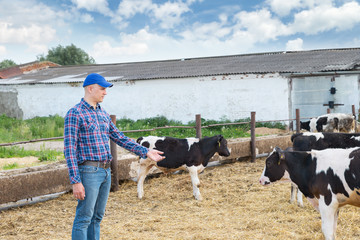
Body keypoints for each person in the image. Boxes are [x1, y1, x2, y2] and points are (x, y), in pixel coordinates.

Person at [64, 73, 165, 240]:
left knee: (96, 218)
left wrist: (145, 151)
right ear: (90, 88)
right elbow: (69, 149)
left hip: (105, 172)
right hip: (88, 171)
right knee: (83, 219)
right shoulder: (75, 113)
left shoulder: (102, 113)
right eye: (102, 88)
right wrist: (75, 181)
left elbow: (119, 137)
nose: (105, 92)